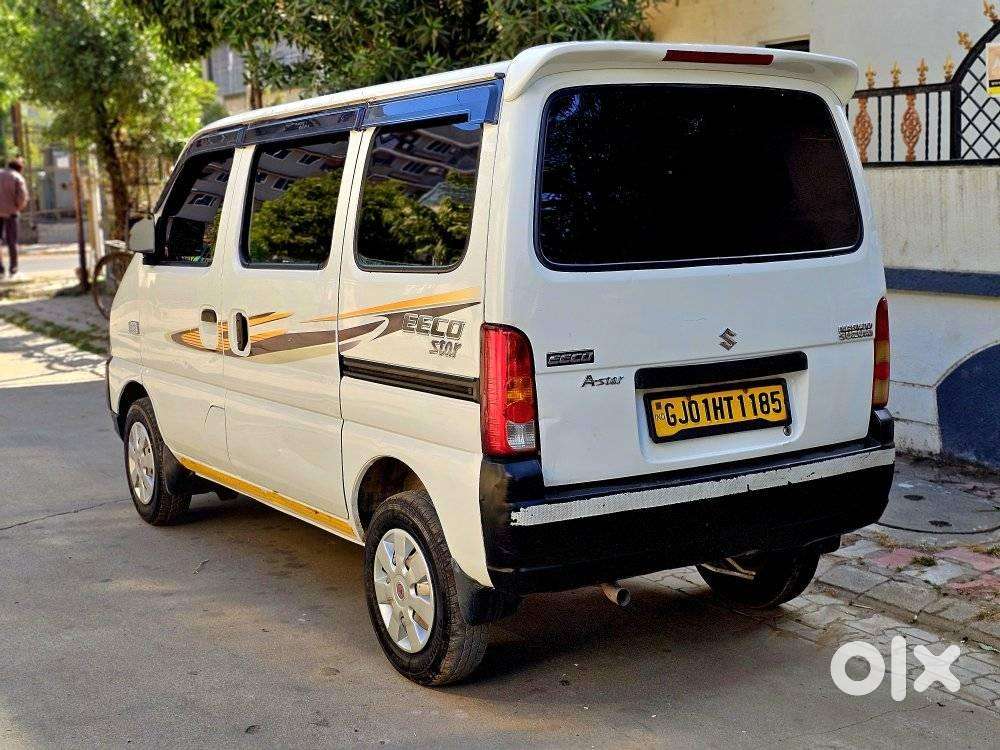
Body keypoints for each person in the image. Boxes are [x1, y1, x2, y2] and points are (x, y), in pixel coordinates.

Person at [0, 157, 29, 278]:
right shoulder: (17, 177)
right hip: (11, 212)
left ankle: (0, 270)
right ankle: (13, 269)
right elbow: (22, 196)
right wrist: (18, 207)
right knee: (12, 241)